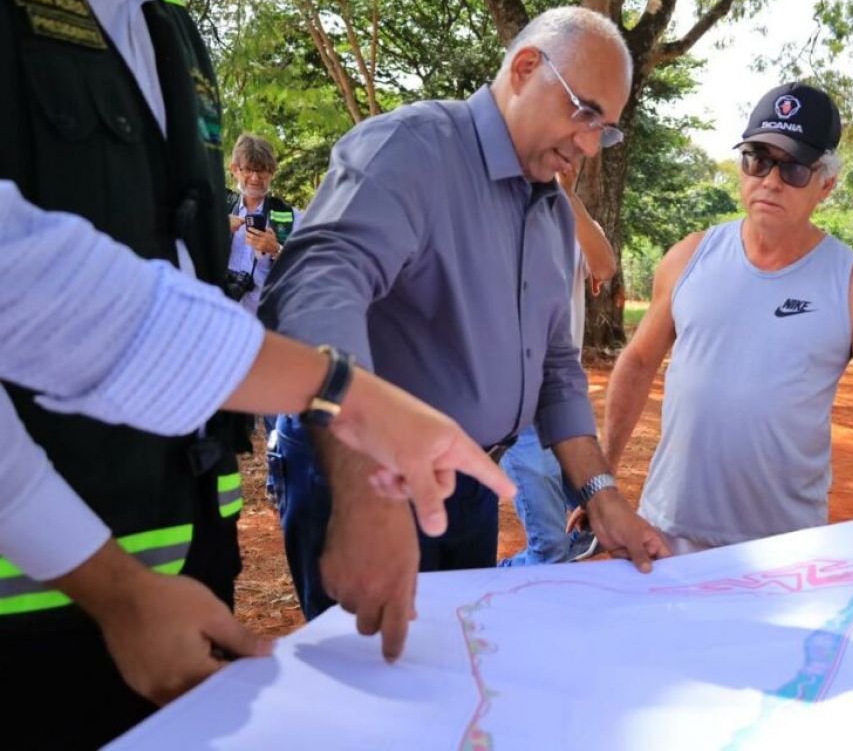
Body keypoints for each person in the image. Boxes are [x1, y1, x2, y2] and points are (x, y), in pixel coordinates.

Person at [0, 0, 475, 745]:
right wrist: (112, 587)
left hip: (191, 561)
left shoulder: (167, 28)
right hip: (42, 602)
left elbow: (169, 283)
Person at [0, 181, 515, 710]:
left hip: (189, 572)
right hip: (46, 611)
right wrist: (355, 402)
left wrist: (351, 397)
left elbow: (116, 307)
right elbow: (44, 286)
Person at [260, 6, 670, 629]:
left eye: (605, 129)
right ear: (527, 67)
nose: (588, 143)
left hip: (471, 484)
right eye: (583, 112)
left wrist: (600, 495)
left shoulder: (552, 212)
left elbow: (556, 364)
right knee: (373, 689)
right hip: (364, 478)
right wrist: (360, 479)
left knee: (452, 667)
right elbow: (314, 291)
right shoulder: (412, 151)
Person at [599, 82, 853, 555]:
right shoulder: (690, 257)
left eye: (795, 168)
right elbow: (636, 364)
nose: (771, 181)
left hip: (785, 551)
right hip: (667, 534)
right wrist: (603, 477)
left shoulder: (852, 287)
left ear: (826, 183)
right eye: (757, 159)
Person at [499, 163, 616, 567]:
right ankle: (480, 587)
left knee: (597, 523)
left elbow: (604, 267)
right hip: (514, 398)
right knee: (549, 549)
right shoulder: (497, 218)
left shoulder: (577, 223)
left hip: (564, 401)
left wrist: (567, 195)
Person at [223, 132, 299, 314]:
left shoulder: (290, 216)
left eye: (262, 170)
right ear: (234, 169)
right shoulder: (218, 208)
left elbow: (305, 270)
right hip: (221, 315)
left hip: (264, 321)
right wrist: (217, 226)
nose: (255, 178)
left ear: (272, 172)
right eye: (248, 169)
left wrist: (276, 250)